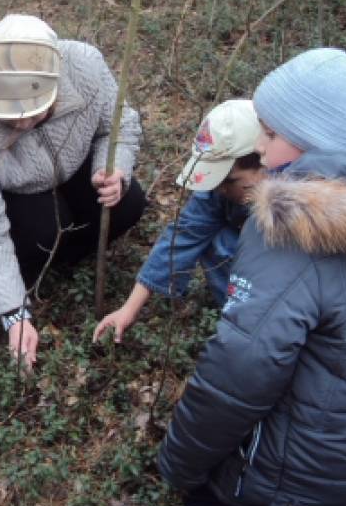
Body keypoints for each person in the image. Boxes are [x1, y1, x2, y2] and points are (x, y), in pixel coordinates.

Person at [157, 47, 346, 506]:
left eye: (270, 134)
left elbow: (240, 373)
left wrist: (178, 464)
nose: (261, 152)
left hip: (307, 477)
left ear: (314, 140)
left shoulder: (287, 228)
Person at [0, 14, 147, 369]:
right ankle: (38, 262)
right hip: (18, 192)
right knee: (43, 231)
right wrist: (13, 315)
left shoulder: (85, 66)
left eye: (34, 113)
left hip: (77, 162)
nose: (22, 124)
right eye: (10, 118)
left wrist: (113, 169)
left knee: (128, 204)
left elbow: (120, 125)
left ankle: (68, 258)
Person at [93, 99, 264, 344]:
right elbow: (183, 236)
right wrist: (129, 309)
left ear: (264, 160)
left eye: (230, 181)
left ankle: (255, 324)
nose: (221, 189)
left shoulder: (303, 184)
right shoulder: (217, 193)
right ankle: (236, 316)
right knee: (219, 242)